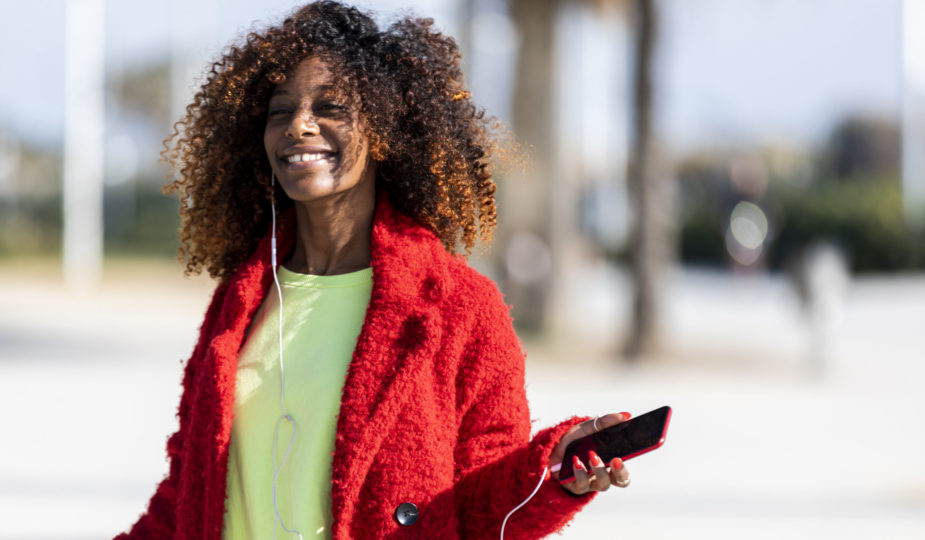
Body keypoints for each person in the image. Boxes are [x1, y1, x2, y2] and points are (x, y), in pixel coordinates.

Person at [116, 2, 631, 539]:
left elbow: (484, 506)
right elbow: (186, 496)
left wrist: (555, 470)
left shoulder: (459, 306)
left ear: (384, 126)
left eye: (331, 106)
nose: (299, 125)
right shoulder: (240, 301)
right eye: (279, 110)